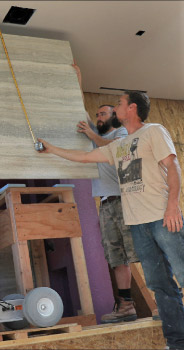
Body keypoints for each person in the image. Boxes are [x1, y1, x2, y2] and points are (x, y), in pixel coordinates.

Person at [38, 90, 184, 349]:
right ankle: (177, 343)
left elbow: (173, 166)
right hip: (138, 225)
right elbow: (83, 157)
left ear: (133, 109)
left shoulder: (154, 131)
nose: (117, 106)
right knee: (159, 285)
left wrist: (173, 206)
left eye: (120, 103)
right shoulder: (118, 146)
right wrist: (51, 149)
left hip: (162, 218)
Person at [77, 103, 139, 323]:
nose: (98, 117)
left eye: (102, 114)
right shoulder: (98, 136)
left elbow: (114, 148)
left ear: (115, 116)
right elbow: (83, 110)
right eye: (97, 115)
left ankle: (163, 302)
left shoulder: (120, 132)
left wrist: (92, 133)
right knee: (116, 257)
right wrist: (76, 80)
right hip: (105, 203)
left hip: (124, 201)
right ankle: (126, 306)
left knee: (137, 252)